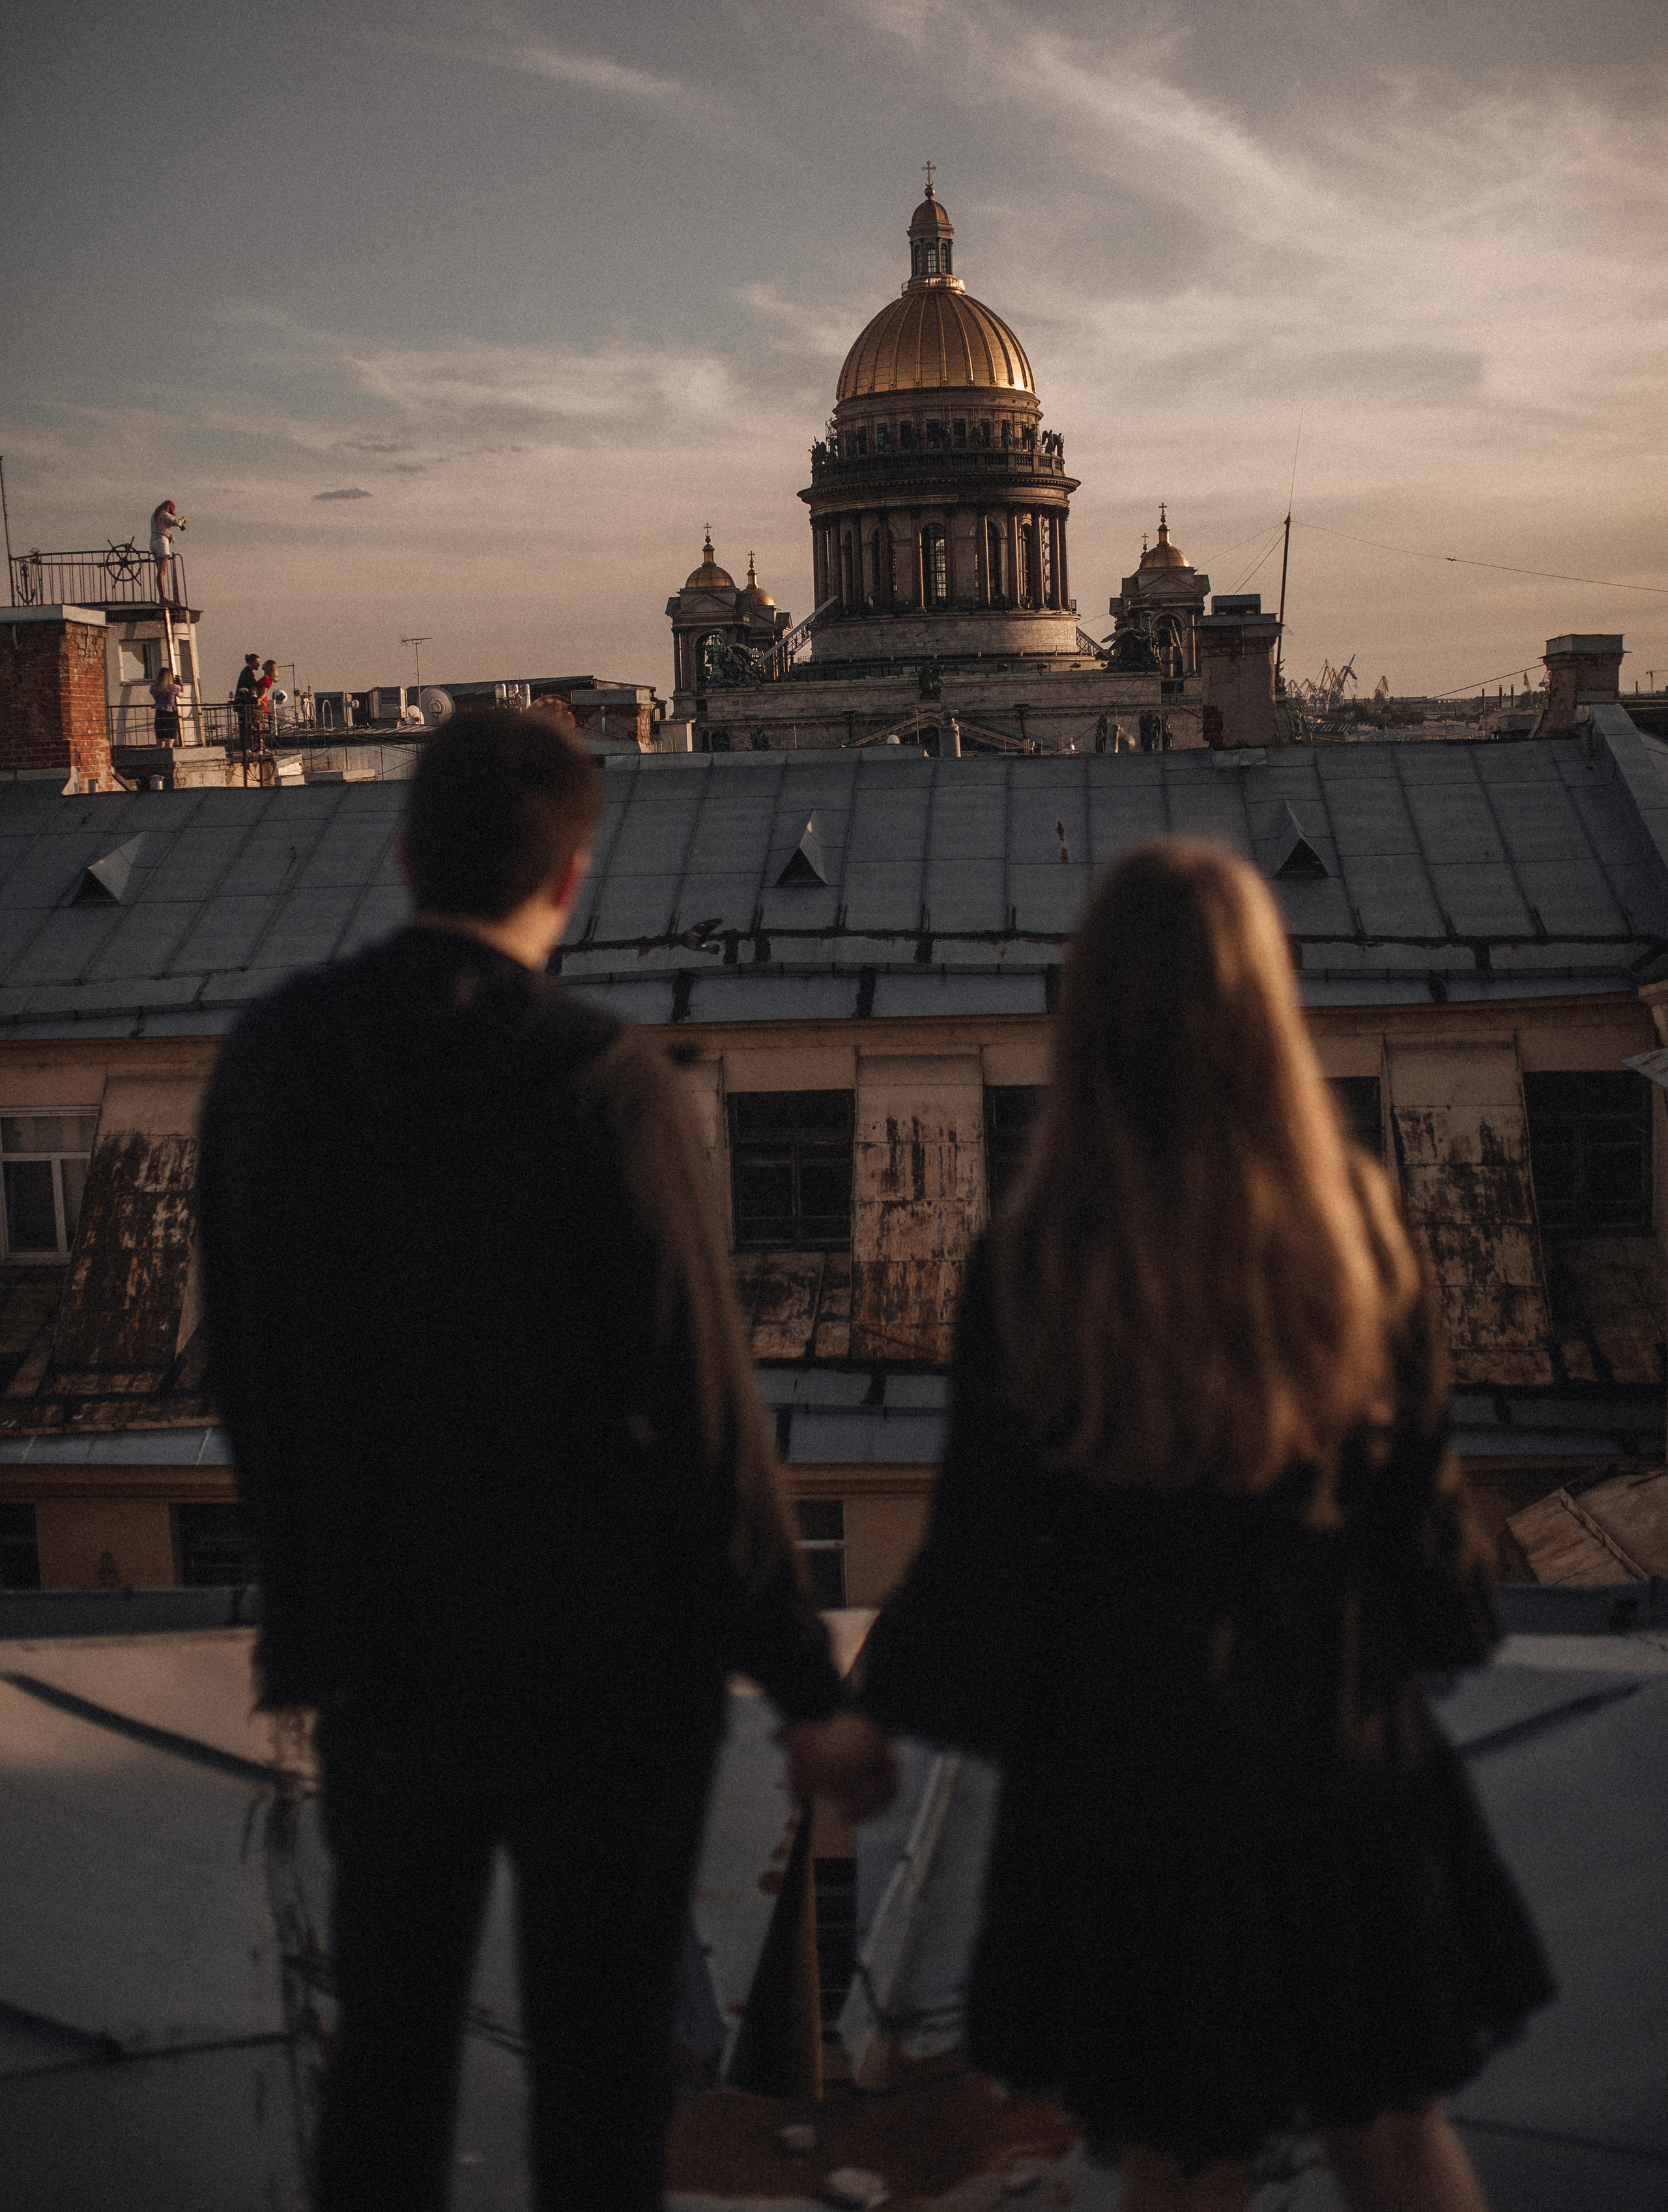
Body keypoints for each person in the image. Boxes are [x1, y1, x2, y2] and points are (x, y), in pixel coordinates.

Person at [199, 708, 894, 2212]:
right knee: (599, 2083)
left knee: (384, 2064)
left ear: (401, 856)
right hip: (604, 1679)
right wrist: (807, 1690)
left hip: (382, 1654)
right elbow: (706, 1416)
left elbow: (247, 1367)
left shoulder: (272, 1061)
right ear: (571, 878)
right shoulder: (601, 1079)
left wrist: (310, 1599)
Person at [860, 839, 1552, 2212]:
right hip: (1330, 1753)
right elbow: (1420, 1514)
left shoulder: (1039, 1247)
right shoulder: (1351, 1223)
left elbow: (984, 1543)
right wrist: (1422, 1640)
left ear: (1087, 1014)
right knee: (1394, 2134)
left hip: (1125, 1776)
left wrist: (874, 1718)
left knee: (1178, 2158)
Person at [151, 667, 180, 745]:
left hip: (159, 713)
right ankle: (169, 755)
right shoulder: (173, 688)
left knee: (160, 741)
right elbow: (182, 696)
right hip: (170, 714)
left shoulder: (154, 688)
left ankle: (159, 756)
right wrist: (181, 685)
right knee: (169, 741)